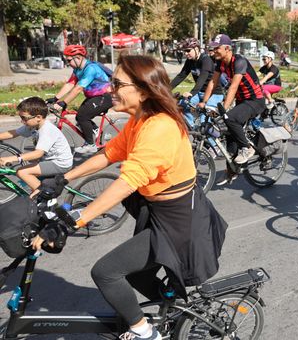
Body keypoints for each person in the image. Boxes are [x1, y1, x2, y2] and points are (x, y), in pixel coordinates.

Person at [32, 55, 227, 340]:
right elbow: (109, 154)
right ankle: (174, 307)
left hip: (179, 220)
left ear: (144, 90)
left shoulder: (160, 128)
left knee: (106, 272)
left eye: (117, 84)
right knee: (136, 274)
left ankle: (146, 333)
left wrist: (72, 222)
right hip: (159, 212)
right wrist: (62, 179)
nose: (110, 89)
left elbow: (127, 182)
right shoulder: (140, 120)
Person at [202, 34, 266, 173]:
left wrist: (224, 109)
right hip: (242, 101)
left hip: (255, 100)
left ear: (227, 48)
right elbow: (213, 82)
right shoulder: (220, 63)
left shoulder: (239, 61)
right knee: (227, 130)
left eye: (217, 48)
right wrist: (204, 102)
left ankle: (247, 148)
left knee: (229, 118)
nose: (214, 51)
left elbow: (233, 87)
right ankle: (232, 170)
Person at [48, 44, 113, 154]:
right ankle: (96, 131)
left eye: (69, 60)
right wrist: (55, 98)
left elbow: (78, 88)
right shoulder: (77, 69)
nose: (68, 63)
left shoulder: (91, 69)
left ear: (78, 58)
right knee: (80, 117)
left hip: (105, 97)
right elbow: (70, 84)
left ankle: (90, 144)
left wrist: (64, 102)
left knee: (82, 116)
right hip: (95, 97)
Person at [0, 97, 73, 192]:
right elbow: (13, 133)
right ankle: (40, 194)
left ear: (38, 117)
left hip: (60, 163)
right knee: (30, 178)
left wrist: (12, 158)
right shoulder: (32, 125)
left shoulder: (46, 130)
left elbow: (38, 153)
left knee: (22, 172)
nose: (22, 121)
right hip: (48, 160)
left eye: (24, 118)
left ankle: (44, 195)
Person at [169, 38, 215, 128]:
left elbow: (201, 80)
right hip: (198, 92)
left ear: (196, 49)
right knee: (183, 105)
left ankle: (212, 141)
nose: (186, 53)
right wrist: (166, 89)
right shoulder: (190, 61)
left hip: (211, 93)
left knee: (204, 121)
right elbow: (181, 76)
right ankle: (192, 128)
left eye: (188, 51)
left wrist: (191, 93)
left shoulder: (206, 60)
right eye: (184, 51)